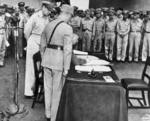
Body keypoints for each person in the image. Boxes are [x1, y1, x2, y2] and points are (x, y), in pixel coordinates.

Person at [40, 4, 77, 121]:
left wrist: (43, 59)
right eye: (70, 16)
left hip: (47, 61)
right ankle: (54, 117)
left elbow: (42, 46)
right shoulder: (67, 28)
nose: (70, 19)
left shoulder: (48, 24)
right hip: (58, 62)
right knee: (57, 91)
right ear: (67, 14)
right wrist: (66, 68)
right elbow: (67, 50)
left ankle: (48, 114)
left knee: (48, 89)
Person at [24, 0, 53, 97]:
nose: (49, 12)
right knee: (31, 67)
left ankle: (38, 89)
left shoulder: (47, 18)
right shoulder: (35, 16)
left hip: (43, 43)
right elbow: (26, 31)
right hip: (33, 41)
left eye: (50, 10)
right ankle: (28, 92)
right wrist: (30, 42)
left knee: (41, 67)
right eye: (48, 9)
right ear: (43, 7)